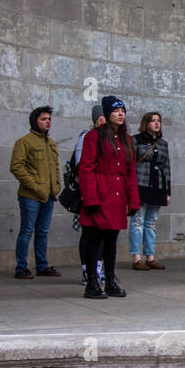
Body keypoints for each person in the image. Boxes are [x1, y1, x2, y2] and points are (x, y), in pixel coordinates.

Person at [77, 96, 139, 297]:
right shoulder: (94, 137)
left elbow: (130, 173)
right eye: (116, 110)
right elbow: (85, 169)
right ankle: (93, 282)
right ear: (106, 113)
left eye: (123, 110)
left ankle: (110, 279)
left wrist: (134, 200)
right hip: (100, 194)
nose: (121, 114)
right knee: (94, 240)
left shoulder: (127, 140)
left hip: (117, 197)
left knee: (111, 241)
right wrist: (91, 198)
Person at [10, 105, 61, 279]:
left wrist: (56, 185)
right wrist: (35, 186)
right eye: (43, 119)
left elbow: (55, 167)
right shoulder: (24, 142)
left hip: (48, 195)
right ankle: (21, 267)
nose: (48, 122)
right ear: (35, 121)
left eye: (49, 119)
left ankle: (42, 265)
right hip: (30, 195)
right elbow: (16, 167)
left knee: (43, 232)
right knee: (26, 230)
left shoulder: (51, 143)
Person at [130, 111, 171, 271]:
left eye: (158, 121)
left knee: (152, 222)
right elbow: (130, 164)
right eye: (153, 121)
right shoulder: (136, 140)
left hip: (158, 185)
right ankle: (136, 257)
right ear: (146, 123)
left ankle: (150, 256)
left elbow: (167, 167)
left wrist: (168, 191)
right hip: (141, 184)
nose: (156, 123)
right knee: (138, 221)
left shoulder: (163, 144)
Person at [73, 104, 106, 283]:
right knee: (89, 234)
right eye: (102, 116)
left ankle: (98, 269)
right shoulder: (86, 137)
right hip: (88, 194)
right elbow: (82, 168)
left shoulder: (109, 138)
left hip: (103, 194)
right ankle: (88, 269)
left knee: (101, 234)